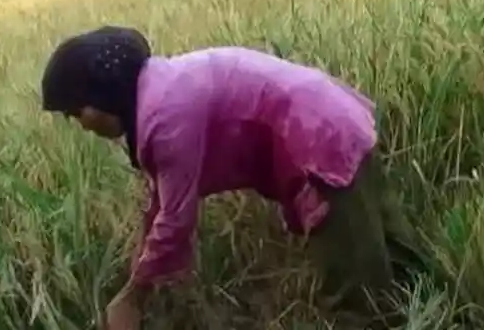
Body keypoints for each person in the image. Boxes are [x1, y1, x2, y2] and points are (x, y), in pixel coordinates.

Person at [40, 26, 418, 330]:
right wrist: (129, 292)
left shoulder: (165, 116)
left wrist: (134, 299)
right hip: (333, 122)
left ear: (105, 94)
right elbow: (158, 207)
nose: (81, 124)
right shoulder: (160, 87)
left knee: (357, 300)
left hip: (320, 143)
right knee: (398, 262)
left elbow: (174, 221)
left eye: (77, 110)